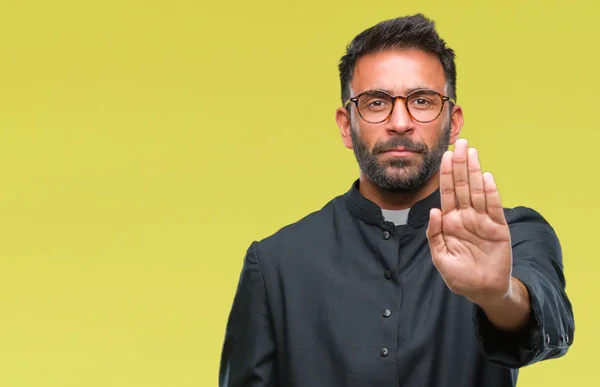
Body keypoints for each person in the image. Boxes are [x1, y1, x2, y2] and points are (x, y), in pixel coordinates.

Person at [218, 13, 575, 387]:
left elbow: (553, 328)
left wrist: (498, 295)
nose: (400, 122)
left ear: (452, 122)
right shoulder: (275, 263)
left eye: (421, 101)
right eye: (376, 103)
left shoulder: (513, 233)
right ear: (346, 124)